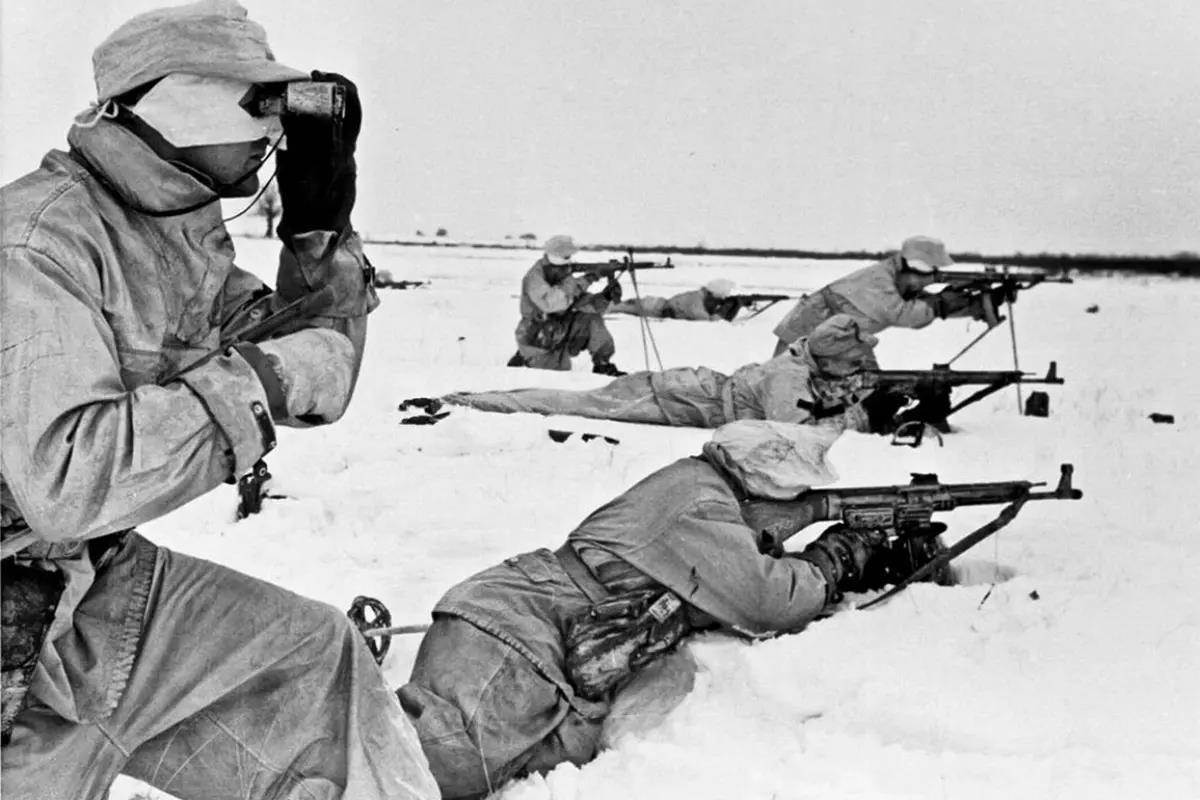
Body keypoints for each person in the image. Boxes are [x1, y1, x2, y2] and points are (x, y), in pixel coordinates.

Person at [0, 2, 437, 798]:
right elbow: (67, 481)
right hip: (16, 620)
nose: (275, 136)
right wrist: (252, 384)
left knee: (319, 661)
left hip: (89, 582)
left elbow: (316, 372)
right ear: (183, 105)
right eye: (259, 109)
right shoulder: (38, 243)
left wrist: (318, 234)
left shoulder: (171, 236)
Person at [396, 420, 918, 798]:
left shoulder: (698, 485)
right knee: (419, 765)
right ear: (767, 483)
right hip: (516, 633)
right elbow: (770, 600)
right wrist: (833, 560)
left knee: (433, 765)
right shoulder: (702, 504)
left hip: (530, 637)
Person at [442, 313, 886, 432]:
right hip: (676, 396)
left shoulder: (802, 362)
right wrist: (857, 415)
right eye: (855, 358)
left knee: (583, 401)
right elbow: (792, 425)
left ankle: (480, 396)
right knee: (577, 404)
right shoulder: (789, 377)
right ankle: (474, 401)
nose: (860, 364)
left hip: (691, 388)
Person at [771, 235, 1000, 357]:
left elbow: (921, 304)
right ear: (912, 269)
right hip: (805, 337)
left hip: (841, 339)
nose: (927, 282)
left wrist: (972, 305)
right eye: (928, 275)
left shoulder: (896, 277)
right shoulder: (880, 281)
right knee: (786, 384)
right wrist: (942, 305)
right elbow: (904, 314)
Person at [507, 234, 626, 375]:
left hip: (560, 329)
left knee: (591, 319)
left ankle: (602, 364)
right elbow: (551, 304)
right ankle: (525, 357)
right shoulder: (535, 278)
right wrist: (588, 279)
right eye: (566, 256)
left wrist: (605, 297)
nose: (570, 260)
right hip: (539, 335)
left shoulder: (562, 274)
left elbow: (578, 302)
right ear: (555, 256)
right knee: (549, 375)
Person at [609, 277, 739, 321]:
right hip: (650, 307)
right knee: (612, 307)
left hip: (652, 303)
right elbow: (709, 321)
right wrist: (728, 307)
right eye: (718, 300)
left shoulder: (697, 295)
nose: (717, 303)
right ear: (712, 295)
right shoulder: (696, 303)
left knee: (614, 306)